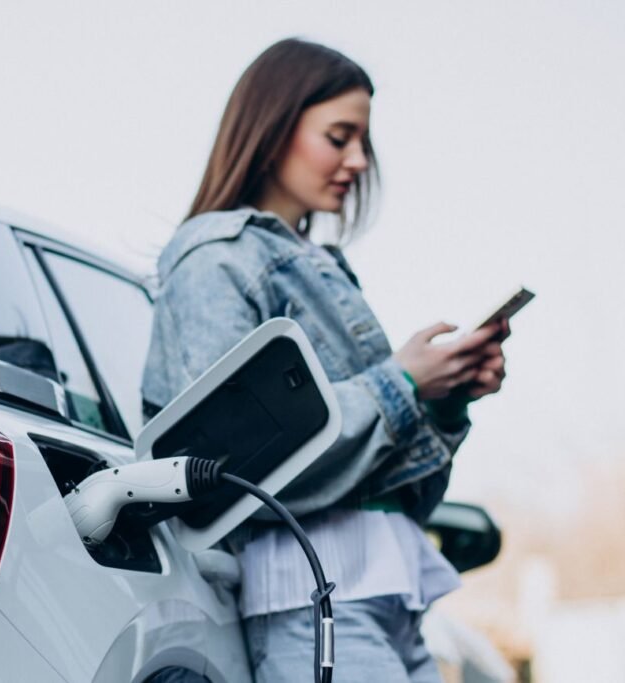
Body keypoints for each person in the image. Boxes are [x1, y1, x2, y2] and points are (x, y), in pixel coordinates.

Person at [141, 38, 508, 683]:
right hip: (312, 604)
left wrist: (445, 401)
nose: (358, 161)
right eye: (339, 137)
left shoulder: (323, 267)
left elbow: (391, 493)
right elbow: (234, 467)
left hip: (380, 605)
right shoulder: (215, 260)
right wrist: (399, 385)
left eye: (362, 142)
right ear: (274, 126)